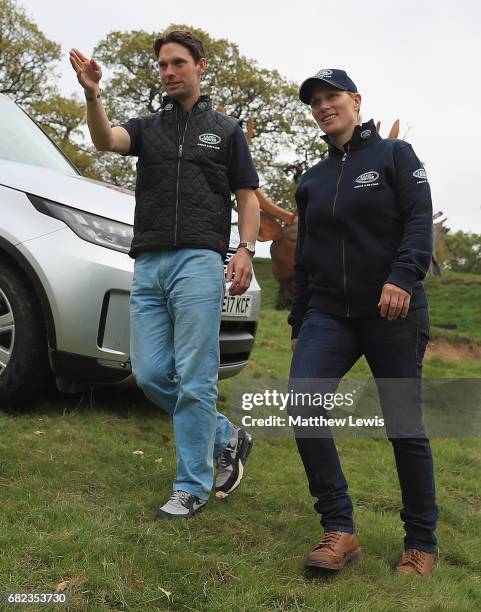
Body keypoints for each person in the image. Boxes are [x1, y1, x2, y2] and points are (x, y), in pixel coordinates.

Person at [69, 30, 259, 519]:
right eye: (162, 65)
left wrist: (244, 249)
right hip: (149, 261)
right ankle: (225, 435)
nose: (169, 72)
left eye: (177, 63)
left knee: (195, 378)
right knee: (152, 374)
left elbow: (247, 196)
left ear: (199, 66)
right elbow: (105, 139)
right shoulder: (148, 128)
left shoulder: (228, 130)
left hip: (199, 260)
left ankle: (191, 487)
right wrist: (93, 94)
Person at [288, 68, 438, 576]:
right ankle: (339, 528)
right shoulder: (312, 178)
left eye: (333, 97)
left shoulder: (396, 156)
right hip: (329, 313)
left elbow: (419, 219)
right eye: (315, 101)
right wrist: (297, 322)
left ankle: (420, 544)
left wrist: (402, 277)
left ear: (356, 100)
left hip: (393, 309)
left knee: (403, 426)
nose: (324, 106)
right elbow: (306, 255)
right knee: (303, 404)